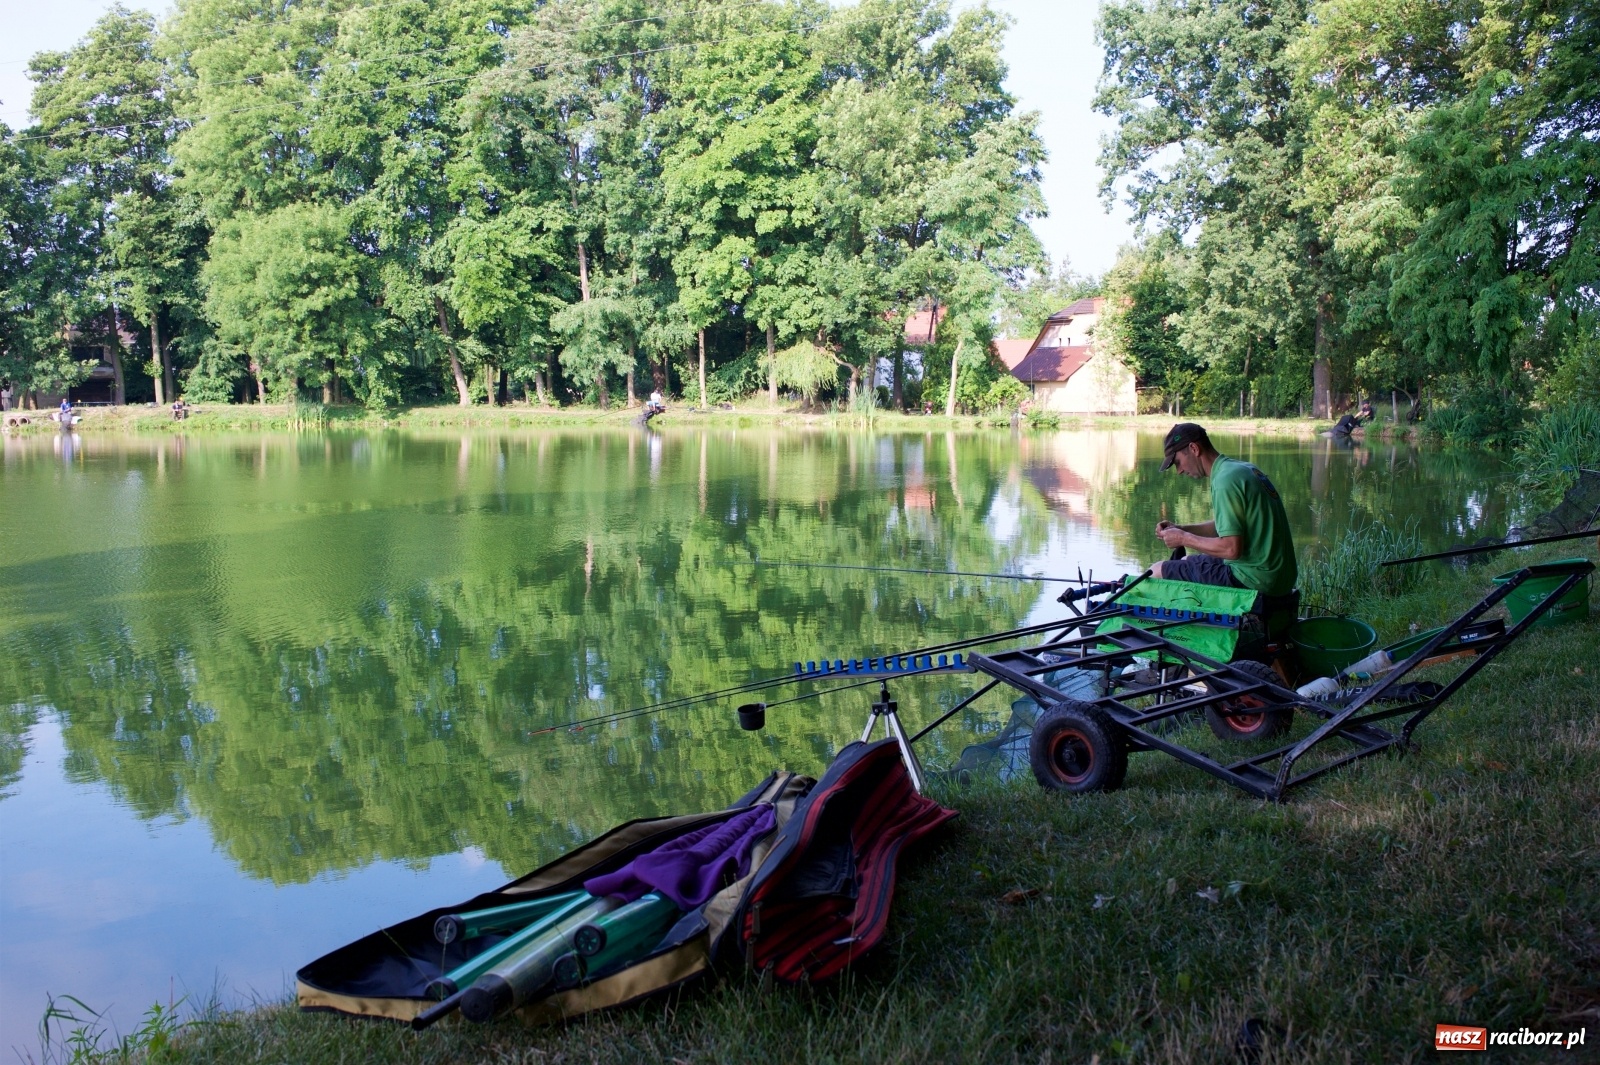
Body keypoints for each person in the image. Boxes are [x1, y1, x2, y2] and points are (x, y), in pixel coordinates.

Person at [1152, 422, 1298, 597]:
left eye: (1178, 462)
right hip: (1278, 577)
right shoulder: (1241, 470)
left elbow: (1231, 549)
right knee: (1184, 561)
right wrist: (1181, 529)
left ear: (1194, 449)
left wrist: (1184, 538)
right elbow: (1228, 526)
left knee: (1157, 571)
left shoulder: (1224, 481)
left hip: (1254, 579)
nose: (1179, 471)